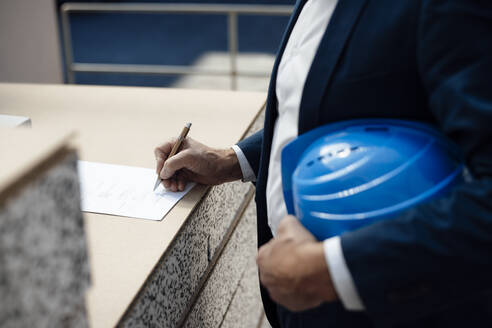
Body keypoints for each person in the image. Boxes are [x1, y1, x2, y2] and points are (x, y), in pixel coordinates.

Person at [155, 0, 492, 327]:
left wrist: (333, 270)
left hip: (386, 305)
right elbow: (316, 108)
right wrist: (230, 160)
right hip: (300, 298)